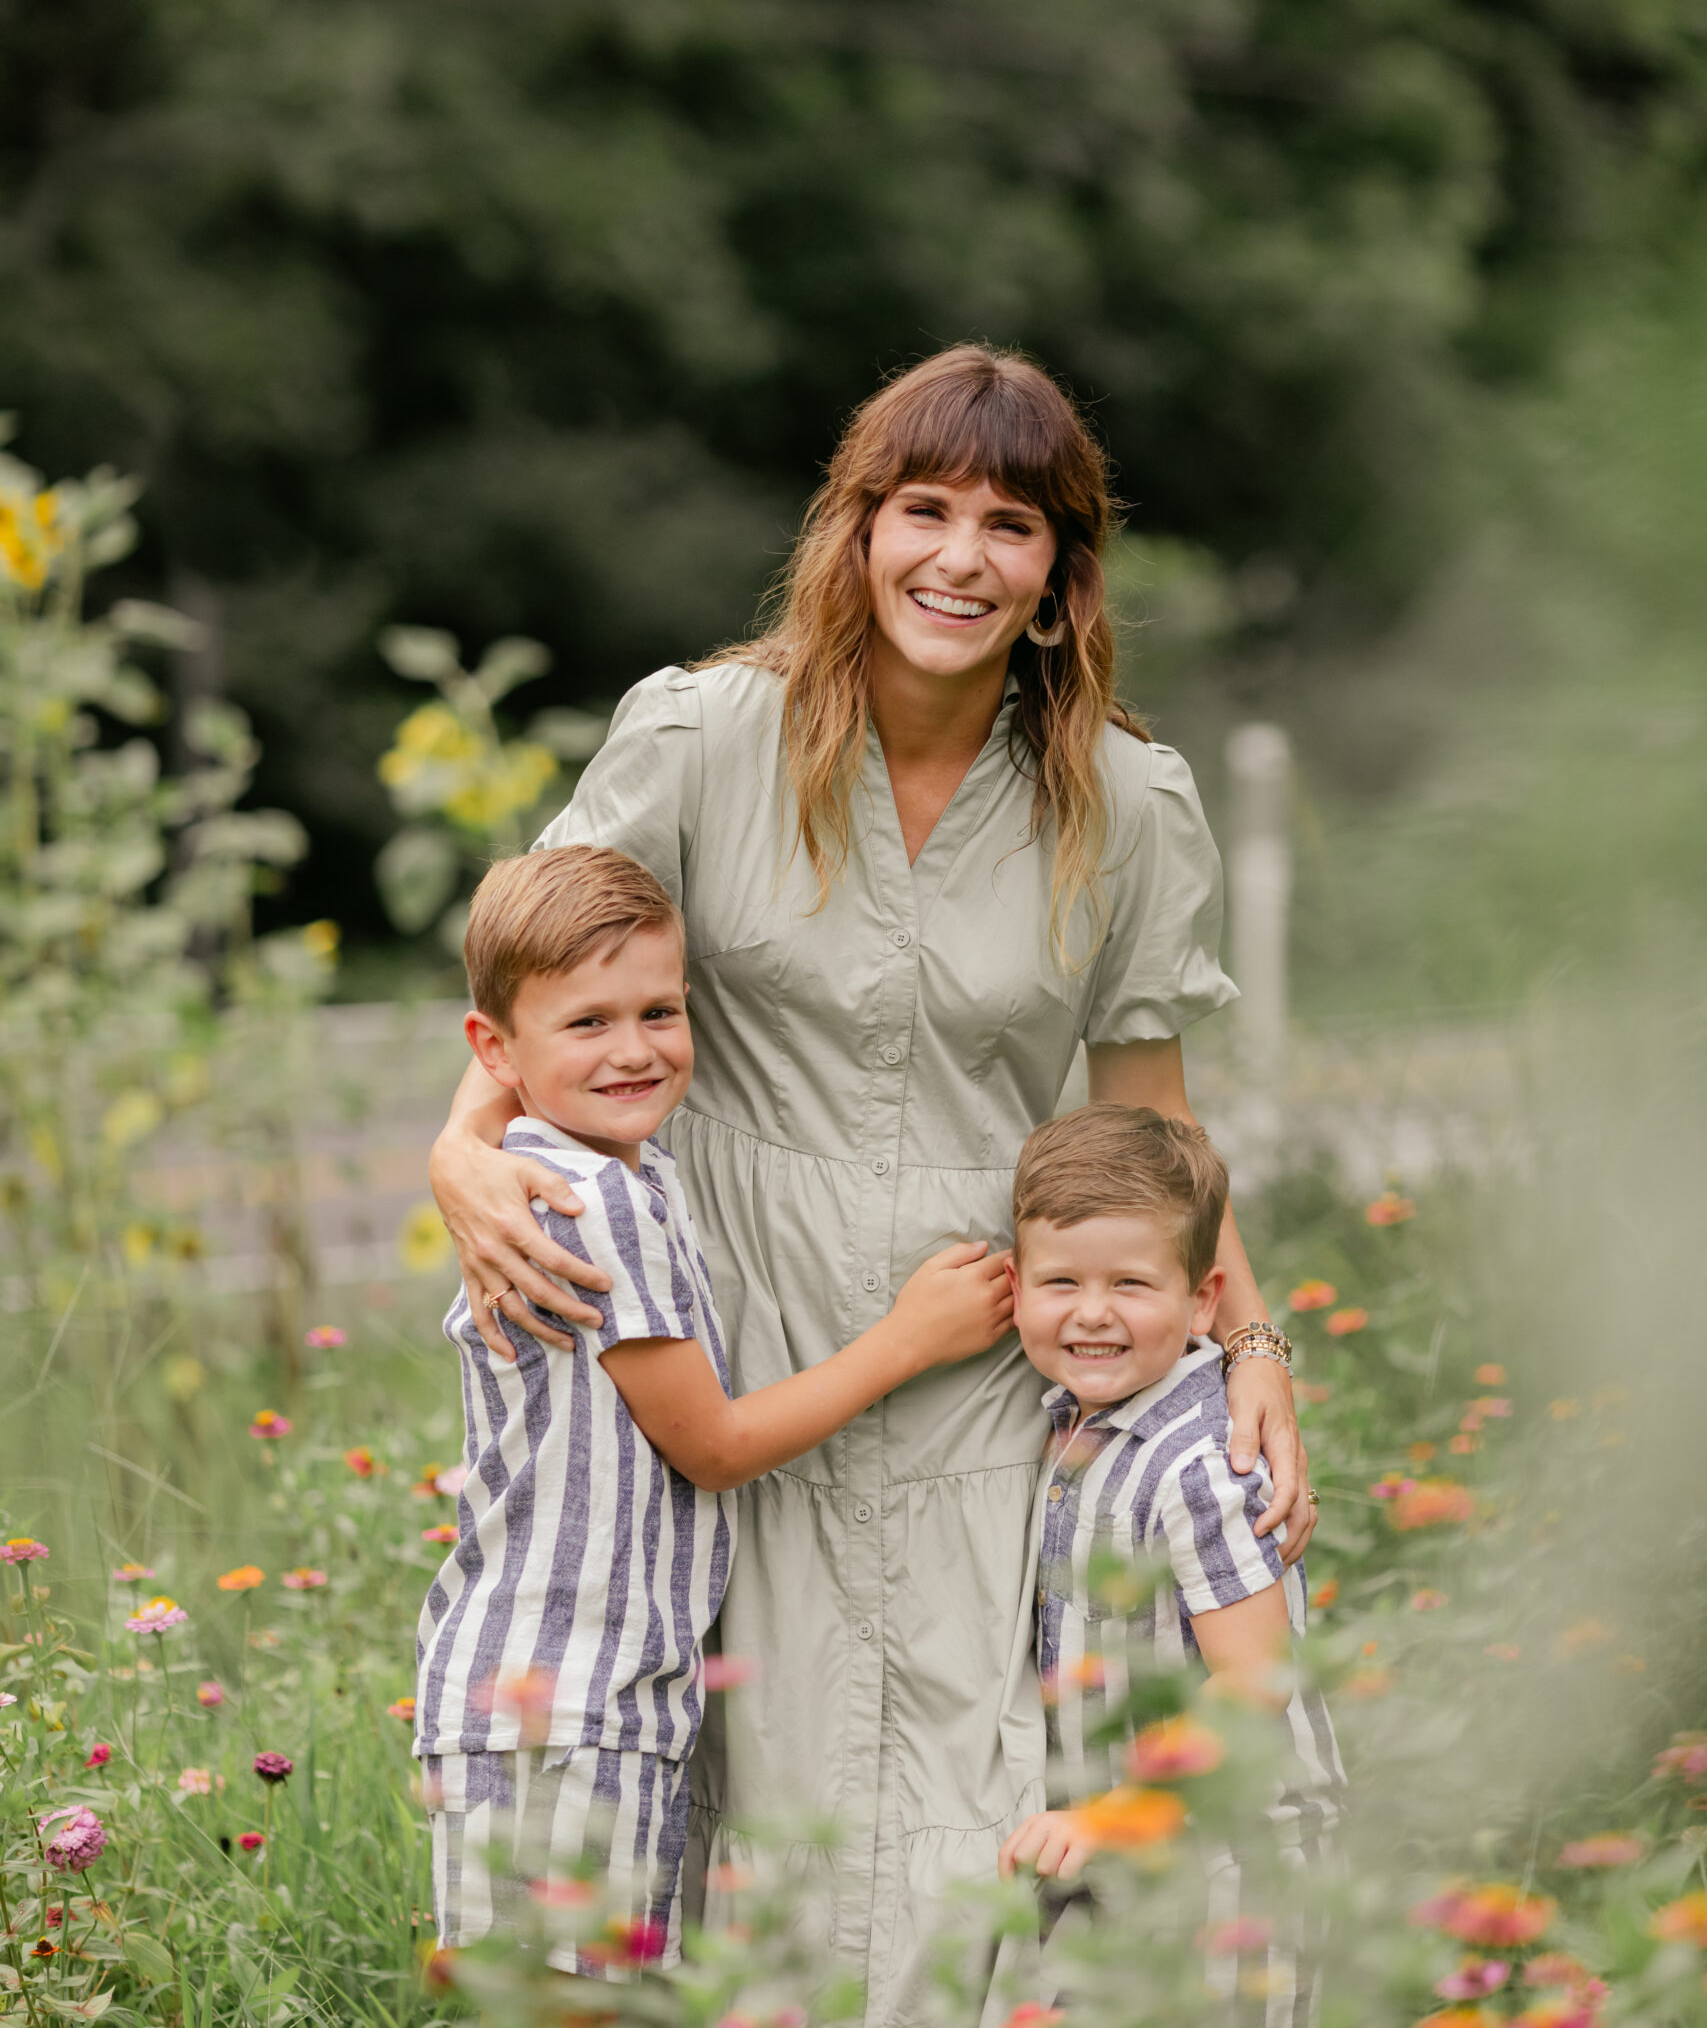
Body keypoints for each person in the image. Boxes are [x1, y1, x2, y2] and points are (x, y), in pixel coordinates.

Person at [426, 344, 1314, 2024]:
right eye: (921, 510)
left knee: (971, 1790)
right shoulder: (699, 737)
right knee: (748, 1784)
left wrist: (1247, 1351)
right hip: (727, 1337)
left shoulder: (1128, 802)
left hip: (979, 1339)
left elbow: (1151, 1125)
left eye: (1011, 525)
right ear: (855, 529)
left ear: (1059, 578)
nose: (959, 560)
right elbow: (552, 979)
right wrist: (457, 1147)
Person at [415, 843, 1012, 1970]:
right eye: (587, 1023)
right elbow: (717, 1446)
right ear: (495, 1050)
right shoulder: (590, 1199)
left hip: (587, 1694)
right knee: (571, 2002)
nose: (636, 1050)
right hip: (563, 1701)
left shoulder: (622, 1171)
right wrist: (908, 1340)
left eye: (659, 1010)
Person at [997, 1105, 1342, 2021]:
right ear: (1014, 1285)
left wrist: (1113, 1817)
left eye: (1131, 1284)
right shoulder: (1069, 1425)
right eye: (1060, 1281)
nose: (1092, 1312)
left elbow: (1255, 1679)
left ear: (1201, 1300)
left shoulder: (1200, 1465)